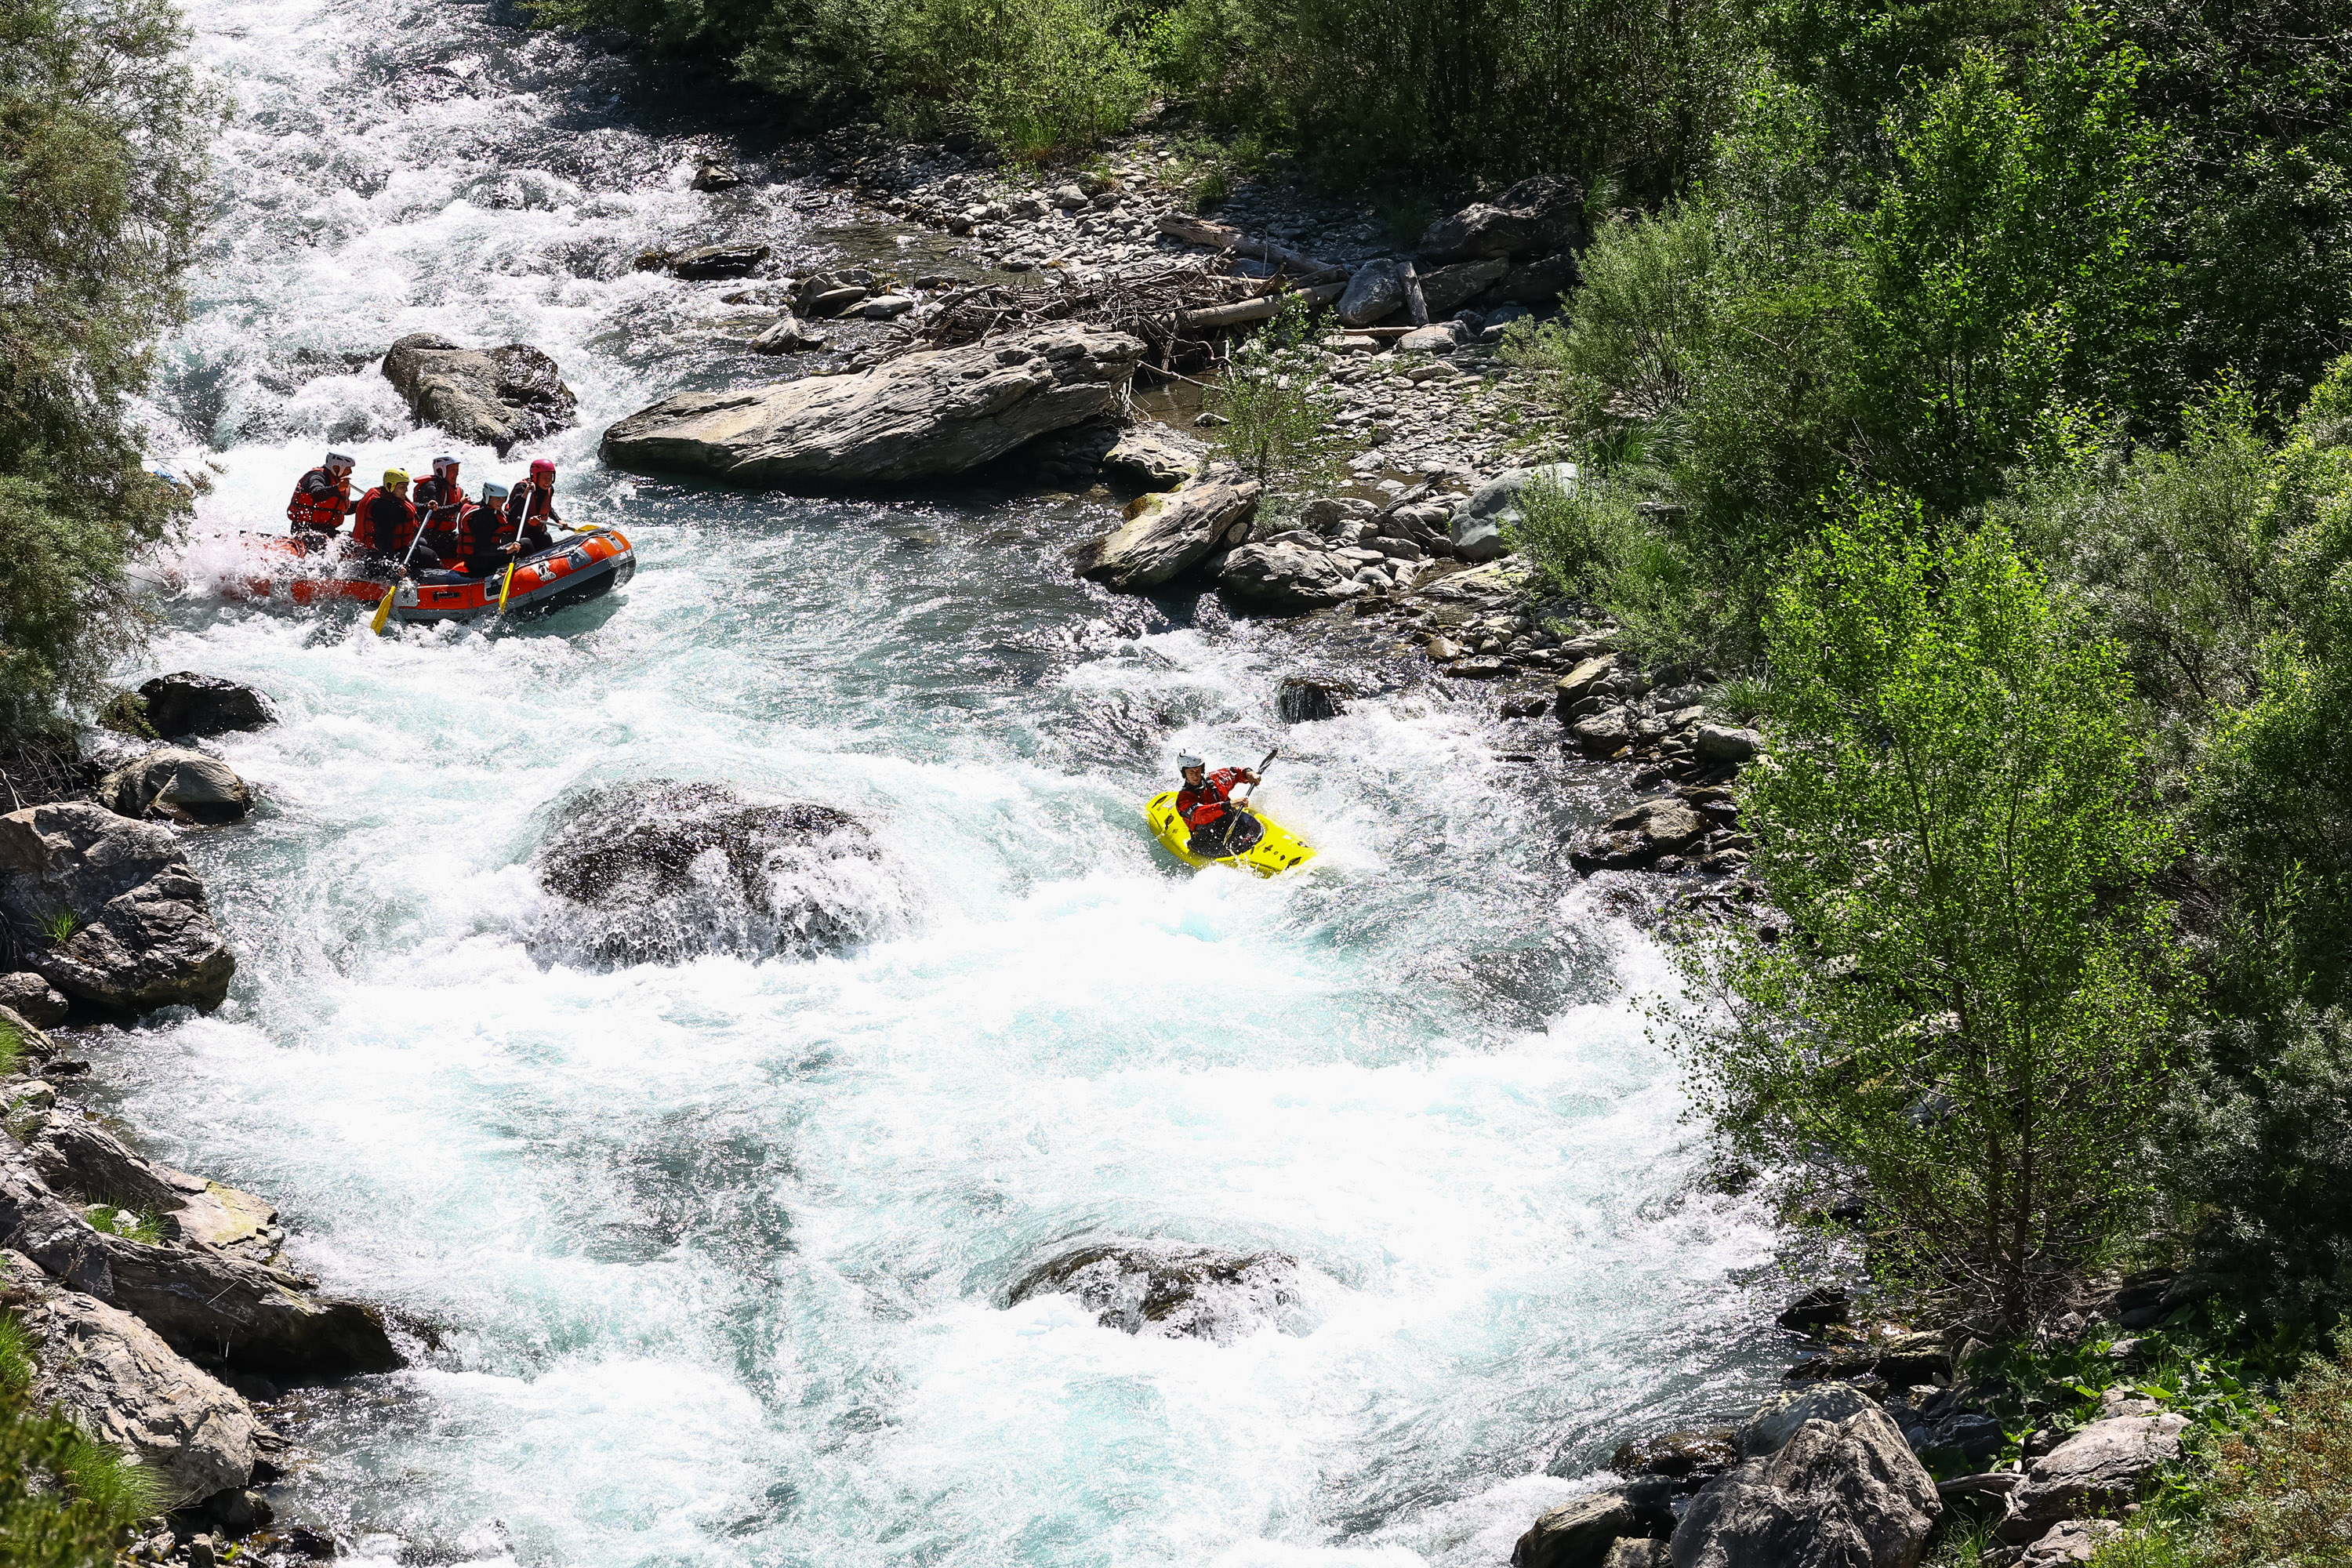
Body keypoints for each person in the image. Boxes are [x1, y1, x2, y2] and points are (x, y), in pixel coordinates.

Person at [348, 469, 438, 573]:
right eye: (402, 487)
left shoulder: (387, 496)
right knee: (431, 556)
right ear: (390, 485)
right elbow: (383, 541)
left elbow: (409, 507)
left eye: (406, 486)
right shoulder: (384, 509)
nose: (406, 490)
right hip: (380, 557)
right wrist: (394, 566)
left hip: (387, 551)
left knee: (422, 542)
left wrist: (426, 506)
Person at [1174, 754, 1265, 858]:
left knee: (1247, 825)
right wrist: (1229, 804)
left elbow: (1235, 772)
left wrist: (1249, 774)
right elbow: (1200, 815)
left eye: (1198, 770)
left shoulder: (1215, 779)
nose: (1195, 775)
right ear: (1184, 773)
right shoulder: (1184, 799)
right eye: (1191, 772)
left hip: (1231, 822)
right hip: (1209, 839)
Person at [285, 451, 356, 550]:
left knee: (353, 540)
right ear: (338, 467)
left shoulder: (337, 481)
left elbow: (342, 509)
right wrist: (338, 488)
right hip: (305, 530)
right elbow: (317, 494)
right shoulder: (316, 477)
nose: (350, 472)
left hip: (326, 530)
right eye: (348, 468)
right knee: (321, 540)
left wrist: (364, 503)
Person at [453, 481, 515, 576]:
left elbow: (511, 517)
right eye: (498, 498)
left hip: (482, 558)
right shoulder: (482, 518)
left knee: (519, 541)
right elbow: (480, 550)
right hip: (479, 564)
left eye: (504, 498)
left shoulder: (487, 509)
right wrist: (506, 550)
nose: (502, 502)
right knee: (525, 544)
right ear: (488, 496)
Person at [410, 454, 465, 558]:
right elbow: (436, 511)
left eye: (457, 469)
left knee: (466, 541)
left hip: (447, 535)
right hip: (428, 536)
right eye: (453, 470)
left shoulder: (456, 490)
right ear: (441, 470)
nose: (456, 473)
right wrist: (459, 505)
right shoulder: (430, 487)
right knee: (428, 553)